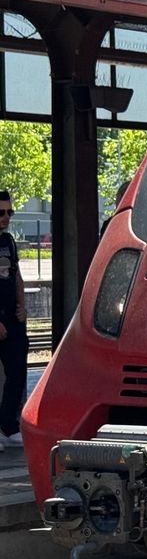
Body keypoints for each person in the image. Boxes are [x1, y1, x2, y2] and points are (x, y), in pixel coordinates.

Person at [0, 190, 28, 452]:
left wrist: (22, 307)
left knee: (17, 370)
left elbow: (16, 274)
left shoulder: (8, 241)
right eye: (1, 212)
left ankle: (8, 425)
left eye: (10, 212)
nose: (6, 217)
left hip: (12, 316)